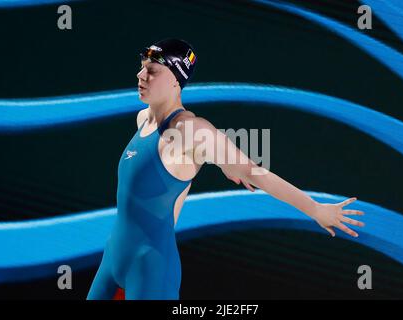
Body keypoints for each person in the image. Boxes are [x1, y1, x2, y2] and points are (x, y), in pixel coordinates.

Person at [86, 38, 365, 300]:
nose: (141, 75)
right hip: (113, 256)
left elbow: (254, 172)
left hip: (150, 267)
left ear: (176, 82)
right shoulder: (143, 120)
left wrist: (315, 209)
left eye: (153, 70)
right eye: (142, 67)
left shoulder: (191, 130)